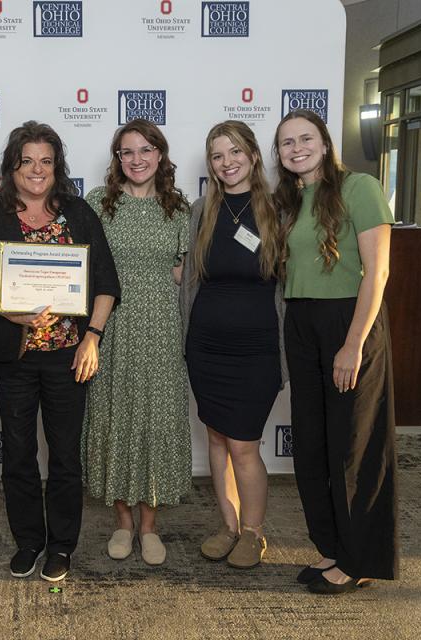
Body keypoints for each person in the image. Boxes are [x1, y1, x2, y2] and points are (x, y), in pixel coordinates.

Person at [0, 121, 121, 582]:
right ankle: (29, 541)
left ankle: (62, 546)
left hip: (67, 355)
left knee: (66, 455)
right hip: (13, 356)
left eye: (46, 161)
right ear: (12, 166)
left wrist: (92, 336)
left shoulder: (77, 212)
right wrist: (10, 312)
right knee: (17, 453)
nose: (36, 170)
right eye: (26, 160)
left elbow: (106, 283)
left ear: (57, 167)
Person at [272, 108, 398, 594]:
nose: (297, 148)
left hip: (349, 321)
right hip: (301, 321)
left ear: (325, 143)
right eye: (287, 143)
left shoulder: (359, 188)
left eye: (305, 138)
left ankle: (361, 558)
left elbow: (378, 273)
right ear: (280, 154)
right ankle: (332, 548)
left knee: (353, 446)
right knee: (312, 443)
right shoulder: (291, 199)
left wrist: (353, 343)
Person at [82, 119, 190, 566]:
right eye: (128, 152)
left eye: (146, 150)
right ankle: (122, 522)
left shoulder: (178, 209)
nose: (137, 159)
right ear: (118, 159)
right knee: (115, 420)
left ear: (160, 155)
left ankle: (149, 527)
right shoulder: (97, 205)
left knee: (156, 422)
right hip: (110, 329)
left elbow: (183, 275)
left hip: (161, 332)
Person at [180, 121, 284, 570]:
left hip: (256, 349)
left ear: (254, 156)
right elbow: (187, 277)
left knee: (244, 445)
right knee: (217, 440)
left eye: (235, 152)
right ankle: (228, 525)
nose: (227, 162)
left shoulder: (279, 210)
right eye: (218, 156)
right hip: (205, 347)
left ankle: (254, 532)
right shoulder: (201, 210)